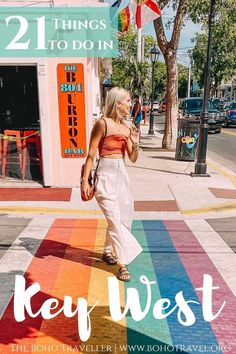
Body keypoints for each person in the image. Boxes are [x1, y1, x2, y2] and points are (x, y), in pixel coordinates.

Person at [81, 87, 143, 282]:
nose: (130, 104)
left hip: (121, 174)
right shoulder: (102, 123)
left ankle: (109, 250)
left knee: (123, 218)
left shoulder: (127, 128)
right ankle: (122, 264)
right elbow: (91, 154)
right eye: (127, 101)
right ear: (117, 103)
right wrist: (85, 180)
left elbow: (132, 158)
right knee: (115, 219)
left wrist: (135, 141)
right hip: (105, 175)